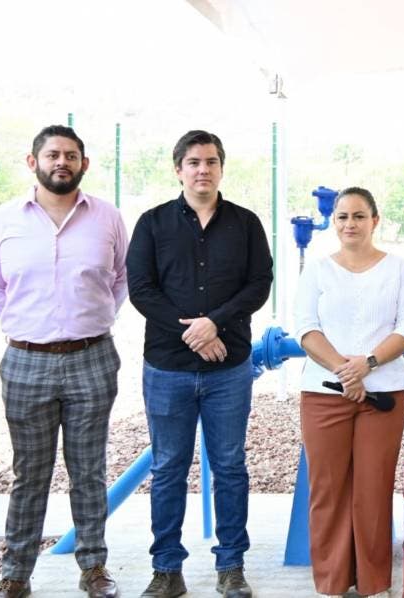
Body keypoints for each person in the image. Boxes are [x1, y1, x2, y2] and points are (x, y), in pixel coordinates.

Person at [0, 125, 126, 598]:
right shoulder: (4, 220)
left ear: (84, 164)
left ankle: (94, 569)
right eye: (52, 154)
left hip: (92, 358)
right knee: (30, 474)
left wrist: (88, 321)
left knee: (89, 470)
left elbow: (121, 279)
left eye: (71, 155)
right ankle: (16, 574)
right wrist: (32, 327)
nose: (61, 162)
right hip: (26, 361)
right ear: (33, 162)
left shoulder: (107, 218)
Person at [127, 130, 273, 598]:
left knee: (230, 466)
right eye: (193, 162)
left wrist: (216, 323)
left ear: (221, 168)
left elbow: (259, 283)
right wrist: (192, 332)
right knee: (169, 468)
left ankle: (231, 566)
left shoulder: (246, 223)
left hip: (228, 369)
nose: (202, 170)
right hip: (167, 368)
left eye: (211, 161)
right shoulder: (152, 223)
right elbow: (141, 289)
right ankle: (167, 569)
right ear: (179, 170)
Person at [292, 186, 404, 598]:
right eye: (343, 217)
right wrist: (342, 369)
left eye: (359, 216)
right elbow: (306, 329)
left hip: (383, 395)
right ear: (334, 223)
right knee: (327, 490)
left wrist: (366, 364)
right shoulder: (317, 271)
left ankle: (373, 583)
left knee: (373, 489)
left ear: (375, 221)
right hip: (323, 393)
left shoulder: (399, 269)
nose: (351, 224)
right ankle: (331, 583)